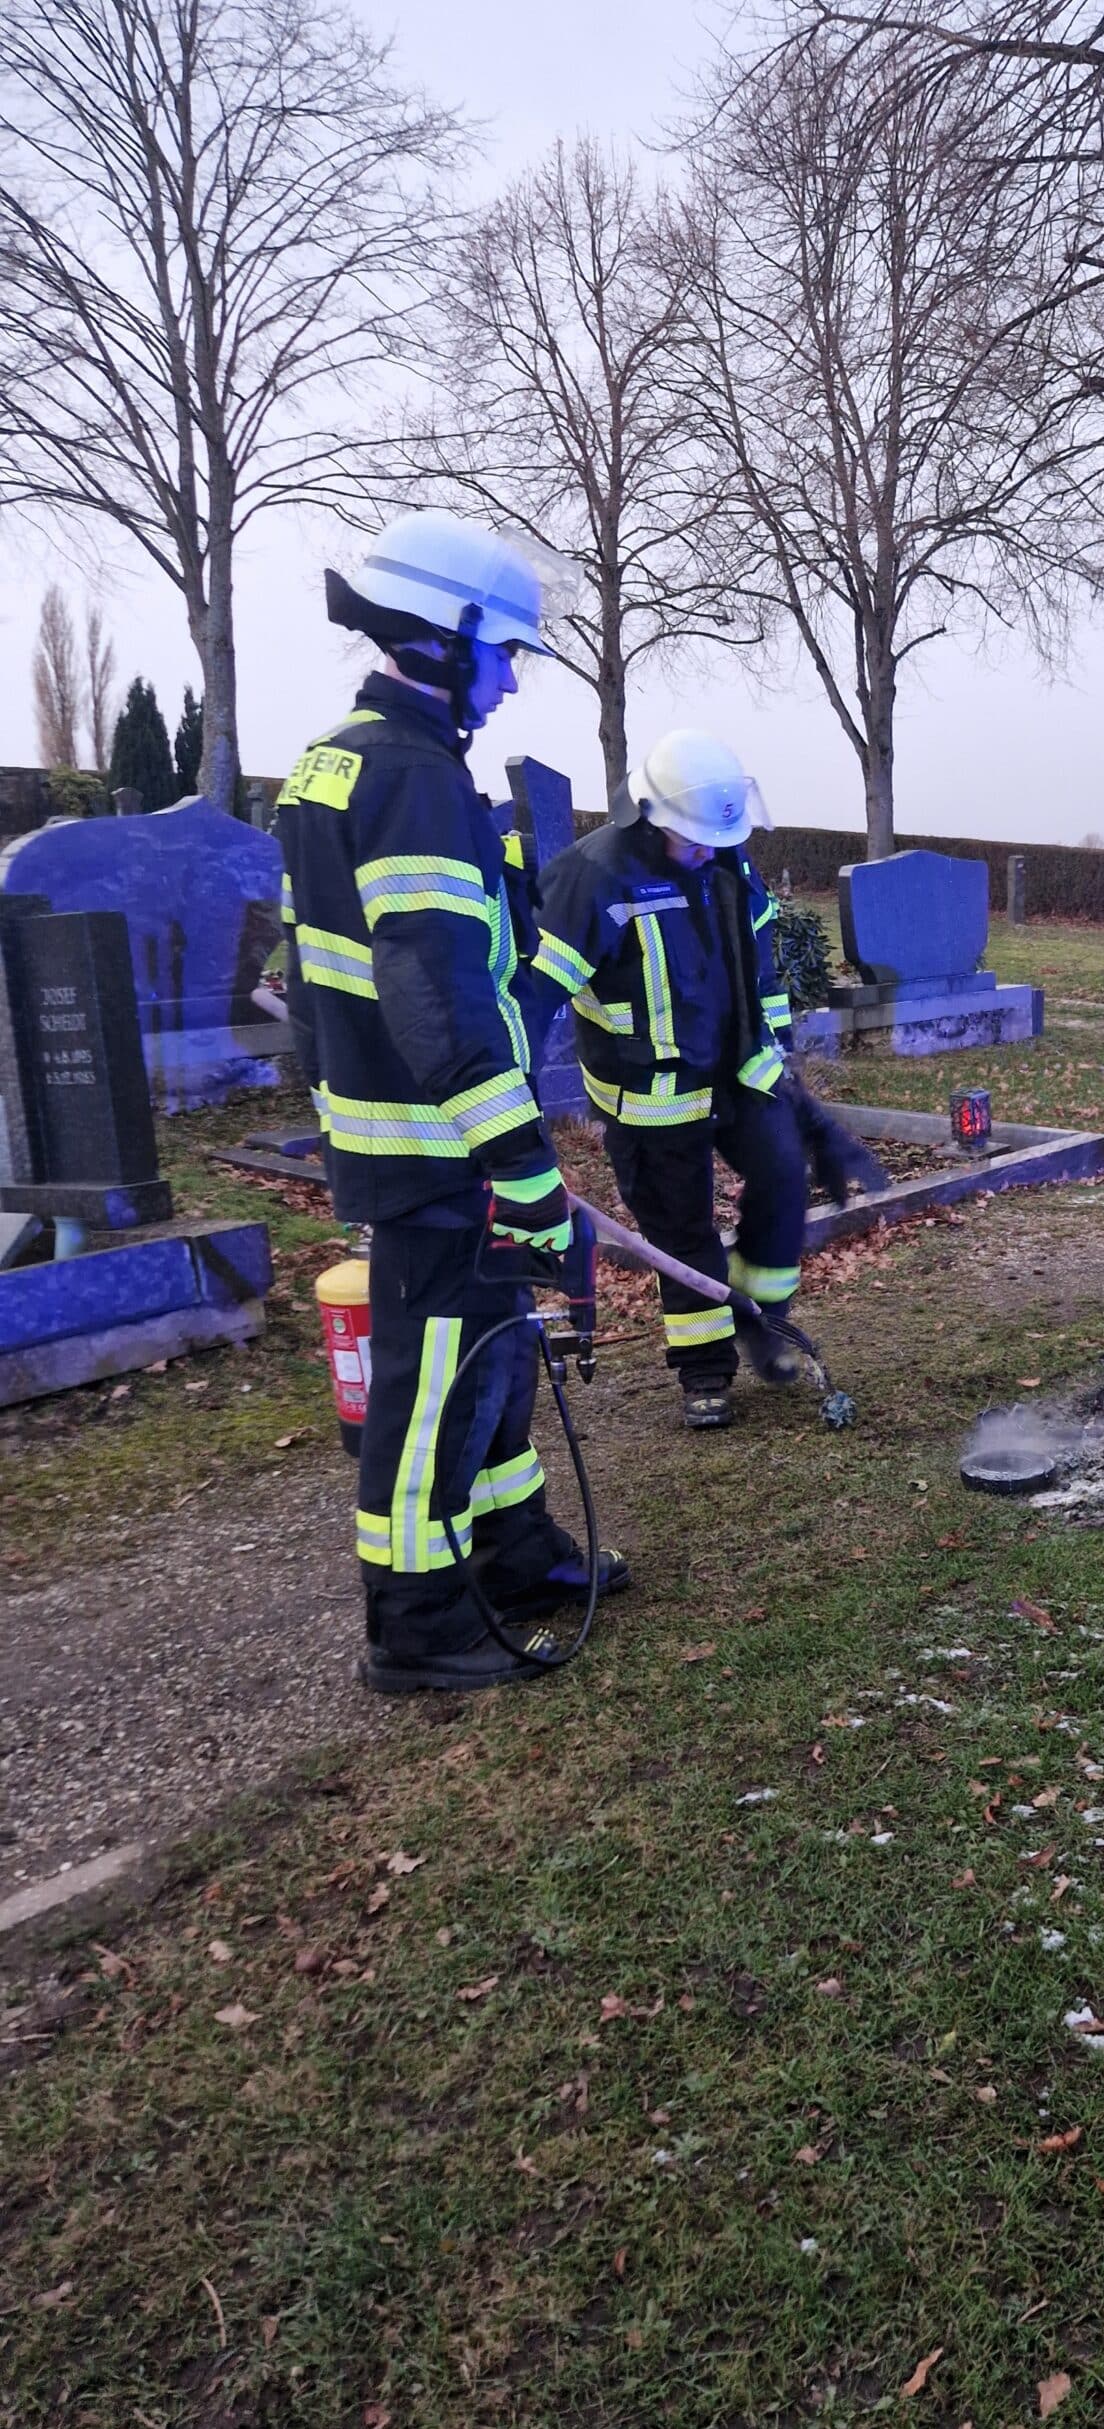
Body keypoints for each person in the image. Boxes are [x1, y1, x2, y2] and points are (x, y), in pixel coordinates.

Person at [278, 509, 628, 1692]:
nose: (512, 676)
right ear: (443, 636)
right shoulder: (412, 779)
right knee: (432, 1386)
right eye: (503, 652)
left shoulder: (344, 759)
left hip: (413, 1129)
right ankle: (419, 1621)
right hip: (434, 1144)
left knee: (493, 1355)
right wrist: (520, 1162)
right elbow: (432, 988)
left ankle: (513, 1554)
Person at [531, 727, 878, 1428]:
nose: (706, 851)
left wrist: (786, 1073)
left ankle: (761, 1319)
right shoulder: (591, 878)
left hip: (738, 1074)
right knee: (682, 1230)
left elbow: (760, 972)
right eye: (693, 840)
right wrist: (510, 1102)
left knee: (783, 1177)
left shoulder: (726, 860)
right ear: (648, 815)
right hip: (649, 1099)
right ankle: (704, 1370)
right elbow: (536, 996)